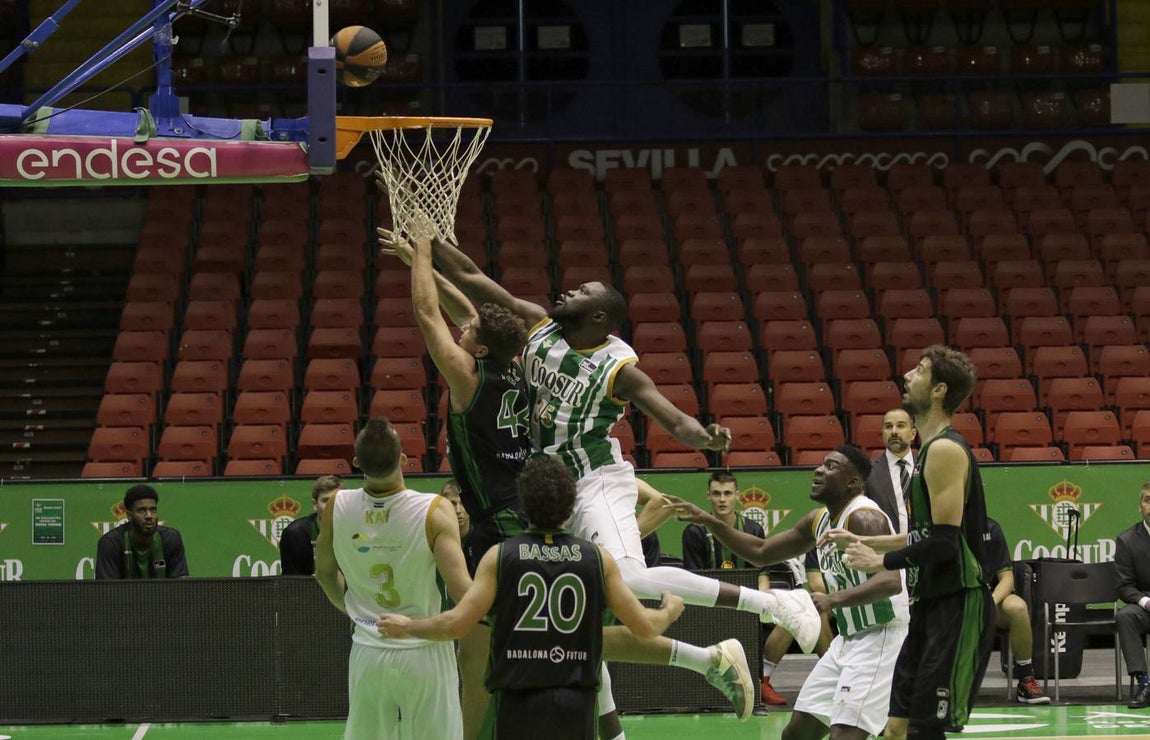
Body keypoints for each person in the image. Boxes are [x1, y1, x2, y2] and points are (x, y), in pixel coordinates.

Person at [417, 233, 821, 652]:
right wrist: (426, 240)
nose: (570, 290)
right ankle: (648, 696)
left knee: (629, 577)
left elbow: (675, 421)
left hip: (596, 479)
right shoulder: (539, 324)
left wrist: (705, 436)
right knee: (582, 605)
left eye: (583, 292)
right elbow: (470, 276)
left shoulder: (619, 368)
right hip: (551, 488)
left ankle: (773, 603)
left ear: (598, 317)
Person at [380, 456, 688, 739]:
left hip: (518, 701)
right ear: (571, 506)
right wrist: (669, 610)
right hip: (575, 702)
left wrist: (408, 627)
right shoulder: (598, 559)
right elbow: (645, 626)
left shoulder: (499, 557)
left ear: (523, 504)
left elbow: (457, 624)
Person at [667, 445, 909, 740]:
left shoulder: (864, 518)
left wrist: (831, 600)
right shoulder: (818, 520)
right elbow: (760, 552)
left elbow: (890, 583)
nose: (819, 470)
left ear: (854, 482)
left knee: (845, 735)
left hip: (880, 638)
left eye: (831, 466)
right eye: (821, 463)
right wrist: (709, 521)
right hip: (847, 641)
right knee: (796, 734)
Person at [825, 345, 996, 740]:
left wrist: (879, 562)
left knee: (923, 727)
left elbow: (944, 543)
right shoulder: (928, 451)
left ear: (938, 390)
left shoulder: (945, 451)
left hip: (959, 602)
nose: (907, 376)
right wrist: (872, 541)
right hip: (930, 604)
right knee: (895, 726)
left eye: (919, 371)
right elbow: (927, 533)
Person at [401, 227, 531, 739]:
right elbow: (466, 315)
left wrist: (426, 251)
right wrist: (418, 262)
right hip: (533, 519)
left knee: (476, 660)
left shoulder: (466, 379)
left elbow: (428, 315)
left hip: (496, 531)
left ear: (476, 350)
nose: (464, 331)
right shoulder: (514, 367)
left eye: (469, 334)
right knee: (545, 646)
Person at [314, 417, 472, 740]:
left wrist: (355, 612)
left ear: (357, 463)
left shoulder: (336, 507)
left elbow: (325, 575)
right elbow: (463, 595)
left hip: (368, 648)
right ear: (403, 459)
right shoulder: (435, 510)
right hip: (425, 648)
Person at [679, 470, 799, 706]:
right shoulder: (694, 532)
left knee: (793, 615)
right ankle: (705, 683)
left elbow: (762, 573)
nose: (722, 499)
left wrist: (762, 602)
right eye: (716, 494)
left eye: (727, 493)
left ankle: (762, 679)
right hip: (709, 605)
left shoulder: (753, 529)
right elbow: (695, 580)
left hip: (750, 603)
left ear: (737, 496)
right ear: (708, 497)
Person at [982, 517, 1048, 704]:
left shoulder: (991, 528)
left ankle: (1026, 679)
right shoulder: (942, 527)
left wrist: (990, 602)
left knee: (1017, 607)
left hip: (990, 600)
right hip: (956, 602)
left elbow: (1007, 578)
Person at [95, 484, 189, 579]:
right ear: (129, 515)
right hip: (124, 594)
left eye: (153, 510)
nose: (149, 516)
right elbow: (107, 591)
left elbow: (180, 586)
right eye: (142, 510)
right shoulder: (111, 543)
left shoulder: (170, 539)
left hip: (163, 594)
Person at [1115, 481, 1150, 709]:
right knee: (1125, 616)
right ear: (1140, 506)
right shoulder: (1126, 540)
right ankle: (1145, 683)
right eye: (1148, 500)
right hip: (1145, 605)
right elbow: (1124, 586)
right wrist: (1145, 601)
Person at [866, 408, 917, 534]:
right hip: (887, 550)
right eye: (888, 427)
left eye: (900, 426)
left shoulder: (926, 464)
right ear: (882, 433)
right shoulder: (868, 471)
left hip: (927, 547)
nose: (894, 431)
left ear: (913, 434)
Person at [279, 474, 341, 575]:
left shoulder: (356, 529)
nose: (331, 506)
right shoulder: (295, 534)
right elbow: (291, 583)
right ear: (315, 505)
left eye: (336, 500)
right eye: (326, 501)